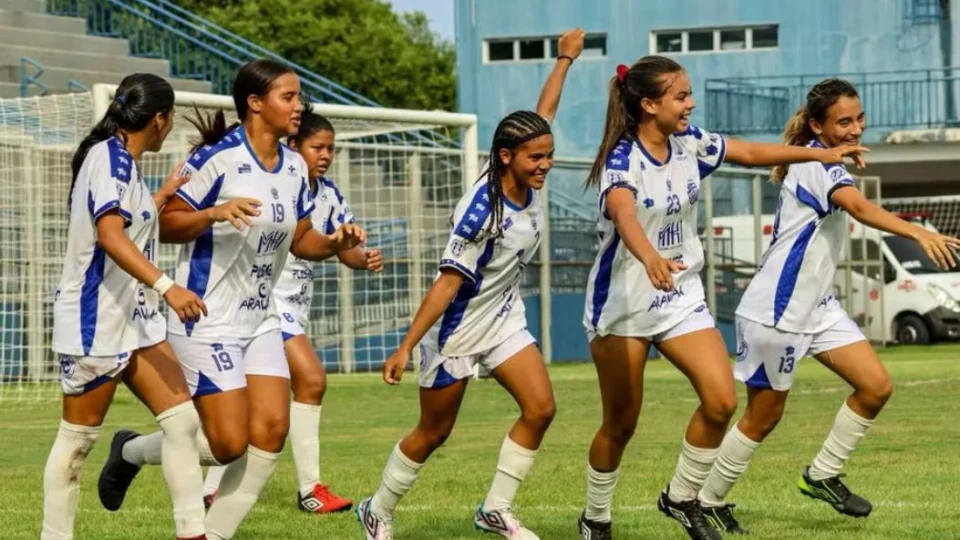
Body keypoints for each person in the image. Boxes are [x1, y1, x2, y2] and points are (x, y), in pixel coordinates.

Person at [577, 58, 868, 540]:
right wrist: (648, 256)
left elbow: (749, 153)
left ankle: (682, 498)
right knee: (622, 423)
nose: (690, 104)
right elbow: (623, 213)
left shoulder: (689, 143)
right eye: (681, 97)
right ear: (649, 105)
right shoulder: (623, 159)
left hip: (680, 295)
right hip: (624, 302)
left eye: (689, 95)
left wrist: (818, 156)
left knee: (720, 401)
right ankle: (595, 518)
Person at [96, 59, 365, 540]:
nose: (299, 106)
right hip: (206, 319)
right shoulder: (215, 159)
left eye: (299, 96)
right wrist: (217, 212)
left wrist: (335, 244)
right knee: (226, 444)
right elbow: (166, 222)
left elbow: (302, 239)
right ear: (255, 104)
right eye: (289, 97)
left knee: (269, 433)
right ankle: (131, 450)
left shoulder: (294, 168)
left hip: (260, 320)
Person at [696, 78, 960, 534]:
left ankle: (822, 474)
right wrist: (919, 231)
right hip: (776, 311)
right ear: (817, 125)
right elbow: (856, 207)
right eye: (844, 121)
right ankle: (706, 499)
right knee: (765, 416)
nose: (855, 129)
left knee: (875, 387)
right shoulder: (816, 164)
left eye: (859, 119)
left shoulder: (828, 159)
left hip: (817, 307)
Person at [356, 28, 586, 540]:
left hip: (503, 319)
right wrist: (406, 346)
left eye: (548, 155)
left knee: (541, 408)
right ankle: (377, 509)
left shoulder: (529, 168)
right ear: (506, 157)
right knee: (434, 432)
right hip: (456, 330)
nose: (546, 165)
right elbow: (445, 286)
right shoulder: (482, 211)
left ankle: (495, 509)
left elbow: (542, 109)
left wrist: (565, 59)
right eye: (536, 158)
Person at [44, 73, 209, 540]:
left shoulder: (127, 164)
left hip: (135, 319)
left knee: (182, 422)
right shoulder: (108, 158)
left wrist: (163, 194)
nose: (171, 125)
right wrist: (168, 287)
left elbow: (131, 221)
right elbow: (110, 235)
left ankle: (192, 532)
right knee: (76, 445)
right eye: (171, 117)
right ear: (159, 119)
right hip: (97, 320)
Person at [201, 105, 383, 514]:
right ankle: (310, 489)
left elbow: (343, 252)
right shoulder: (269, 183)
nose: (325, 155)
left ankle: (206, 482)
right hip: (264, 307)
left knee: (249, 415)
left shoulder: (330, 195)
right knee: (313, 379)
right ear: (294, 146)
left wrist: (360, 254)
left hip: (293, 312)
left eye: (331, 149)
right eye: (317, 146)